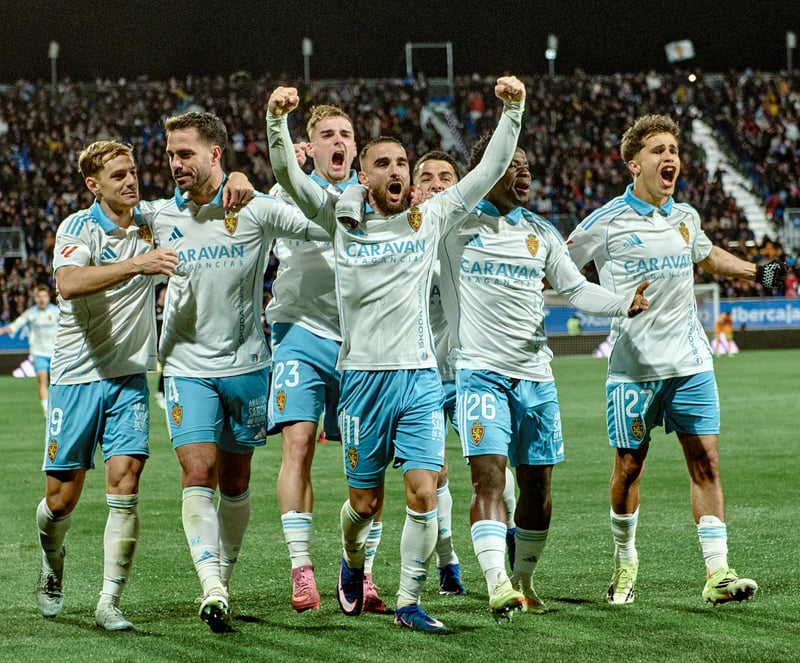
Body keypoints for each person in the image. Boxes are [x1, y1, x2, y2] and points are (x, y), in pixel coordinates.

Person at [267, 75, 526, 631]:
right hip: (362, 381)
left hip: (419, 380)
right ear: (363, 176)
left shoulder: (430, 217)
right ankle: (351, 560)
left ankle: (408, 602)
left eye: (402, 163)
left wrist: (513, 111)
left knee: (424, 492)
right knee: (363, 504)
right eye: (382, 163)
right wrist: (277, 120)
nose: (396, 171)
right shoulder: (338, 218)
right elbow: (288, 173)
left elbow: (487, 171)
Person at [566, 114, 786, 606]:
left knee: (706, 462)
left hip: (691, 362)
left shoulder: (685, 217)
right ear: (633, 164)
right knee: (629, 467)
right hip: (634, 369)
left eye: (674, 150)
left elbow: (708, 256)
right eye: (658, 150)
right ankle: (625, 561)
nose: (670, 158)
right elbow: (559, 270)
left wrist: (763, 272)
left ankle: (718, 571)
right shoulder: (604, 222)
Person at [435, 138, 649, 620]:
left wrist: (622, 303)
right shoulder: (453, 228)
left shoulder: (541, 232)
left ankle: (523, 580)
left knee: (537, 487)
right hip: (480, 373)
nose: (525, 173)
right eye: (513, 165)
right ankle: (496, 581)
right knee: (489, 477)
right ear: (488, 170)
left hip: (536, 377)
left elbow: (575, 288)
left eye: (527, 165)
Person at [147, 111, 327, 632]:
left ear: (214, 154)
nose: (175, 163)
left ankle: (222, 578)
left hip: (247, 366)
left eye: (185, 153)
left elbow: (323, 224)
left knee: (236, 480)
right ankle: (212, 585)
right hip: (186, 368)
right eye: (170, 154)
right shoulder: (159, 216)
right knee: (197, 472)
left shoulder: (255, 207)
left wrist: (279, 178)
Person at [35, 140, 179, 631]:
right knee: (61, 500)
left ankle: (109, 602)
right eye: (118, 175)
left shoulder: (152, 219)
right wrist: (138, 264)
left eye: (132, 171)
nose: (130, 180)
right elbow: (69, 283)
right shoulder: (78, 227)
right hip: (77, 375)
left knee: (126, 483)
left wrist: (238, 180)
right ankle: (52, 559)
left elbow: (201, 199)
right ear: (93, 185)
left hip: (128, 376)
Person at [266, 104, 387, 613]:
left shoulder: (374, 197)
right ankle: (301, 569)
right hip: (300, 331)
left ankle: (360, 568)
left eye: (346, 135)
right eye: (327, 135)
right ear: (310, 147)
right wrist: (278, 138)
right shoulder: (286, 192)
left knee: (369, 463)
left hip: (362, 341)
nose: (338, 141)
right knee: (298, 446)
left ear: (355, 148)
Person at [0, 283, 59, 416]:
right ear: (35, 298)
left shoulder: (56, 311)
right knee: (42, 378)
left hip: (56, 353)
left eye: (44, 296)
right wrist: (2, 330)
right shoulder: (31, 313)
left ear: (48, 297)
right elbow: (15, 326)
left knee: (55, 383)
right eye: (39, 296)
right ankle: (46, 410)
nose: (42, 299)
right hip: (39, 353)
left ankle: (55, 406)